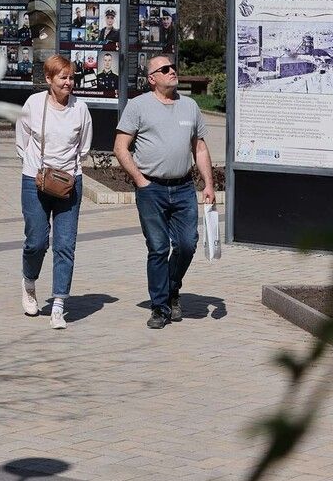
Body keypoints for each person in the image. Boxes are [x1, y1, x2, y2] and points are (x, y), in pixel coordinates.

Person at [114, 55, 215, 329]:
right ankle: (160, 307)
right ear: (152, 79)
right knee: (158, 248)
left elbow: (200, 148)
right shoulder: (138, 106)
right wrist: (139, 179)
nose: (172, 71)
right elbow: (121, 147)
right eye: (165, 69)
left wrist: (208, 183)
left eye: (173, 67)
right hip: (151, 188)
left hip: (183, 187)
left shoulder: (190, 106)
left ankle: (171, 287)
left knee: (186, 244)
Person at [15, 55, 92, 330]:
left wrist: (67, 170)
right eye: (63, 78)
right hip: (34, 179)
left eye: (71, 77)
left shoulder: (80, 109)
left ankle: (59, 304)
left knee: (65, 244)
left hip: (70, 181)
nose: (69, 83)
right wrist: (34, 167)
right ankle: (29, 283)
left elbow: (83, 147)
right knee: (36, 241)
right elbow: (22, 141)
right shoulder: (34, 104)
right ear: (49, 79)